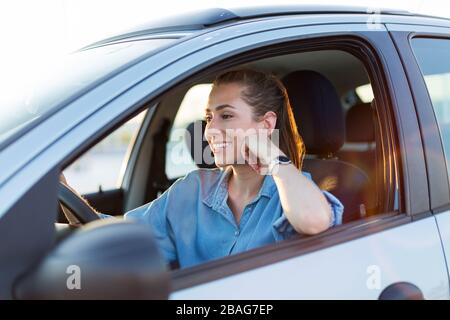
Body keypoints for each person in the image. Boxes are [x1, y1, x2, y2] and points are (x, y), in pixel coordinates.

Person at [62, 69, 344, 269]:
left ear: (267, 124)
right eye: (209, 117)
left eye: (226, 115)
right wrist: (61, 189)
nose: (210, 129)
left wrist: (273, 157)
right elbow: (117, 241)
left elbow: (314, 221)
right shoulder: (192, 189)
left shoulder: (294, 192)